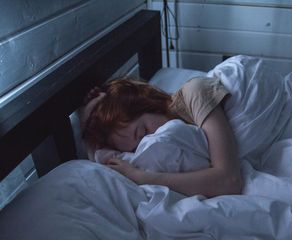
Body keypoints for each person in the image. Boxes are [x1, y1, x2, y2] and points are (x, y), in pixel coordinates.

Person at [81, 77, 242, 198]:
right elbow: (101, 164)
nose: (150, 143)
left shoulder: (195, 93)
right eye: (135, 149)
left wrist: (142, 178)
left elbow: (229, 181)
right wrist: (87, 118)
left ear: (148, 103)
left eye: (144, 132)